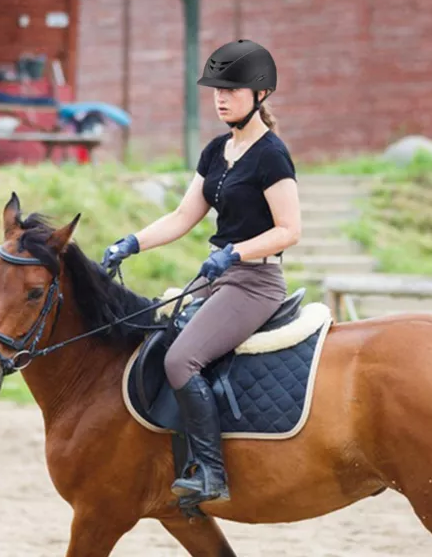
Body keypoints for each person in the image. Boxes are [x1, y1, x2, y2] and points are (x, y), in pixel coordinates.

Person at [101, 39, 301, 505]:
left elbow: (290, 230)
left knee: (180, 360)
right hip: (220, 278)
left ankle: (211, 472)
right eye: (216, 89)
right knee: (154, 340)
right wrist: (131, 242)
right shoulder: (216, 151)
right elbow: (180, 217)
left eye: (231, 89)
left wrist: (234, 254)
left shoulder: (271, 155)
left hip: (256, 281)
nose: (221, 97)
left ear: (261, 95)